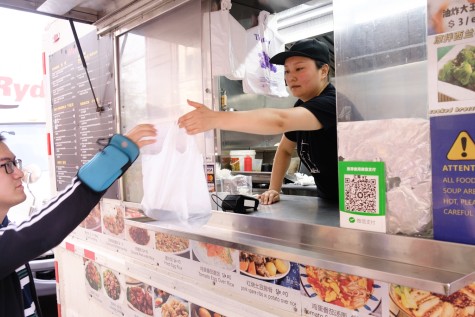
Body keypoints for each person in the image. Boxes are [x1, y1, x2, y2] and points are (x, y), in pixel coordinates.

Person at [0, 124, 157, 317]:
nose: (20, 173)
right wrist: (118, 153)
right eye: (6, 165)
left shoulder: (5, 227)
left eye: (16, 163)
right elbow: (39, 233)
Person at [178, 39, 338, 204]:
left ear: (324, 71)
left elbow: (279, 121)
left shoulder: (331, 103)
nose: (290, 77)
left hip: (351, 205)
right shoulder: (302, 105)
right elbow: (284, 149)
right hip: (328, 202)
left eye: (299, 69)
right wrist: (274, 189)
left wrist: (215, 118)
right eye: (287, 71)